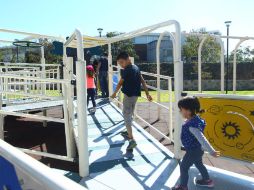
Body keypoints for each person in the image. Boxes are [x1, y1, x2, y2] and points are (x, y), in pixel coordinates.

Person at [172, 97, 220, 190]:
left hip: (192, 151)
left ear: (188, 111)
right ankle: (207, 181)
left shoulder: (192, 126)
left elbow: (202, 139)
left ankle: (183, 186)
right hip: (197, 150)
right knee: (199, 164)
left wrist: (211, 151)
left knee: (183, 167)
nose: (180, 111)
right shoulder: (195, 119)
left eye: (181, 109)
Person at [111, 51, 152, 150]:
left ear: (128, 59)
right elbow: (142, 80)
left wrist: (114, 93)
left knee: (126, 115)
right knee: (130, 114)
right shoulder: (136, 68)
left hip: (128, 96)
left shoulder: (127, 70)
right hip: (135, 96)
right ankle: (127, 131)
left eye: (122, 62)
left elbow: (120, 83)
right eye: (119, 63)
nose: (121, 65)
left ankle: (131, 139)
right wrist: (147, 94)